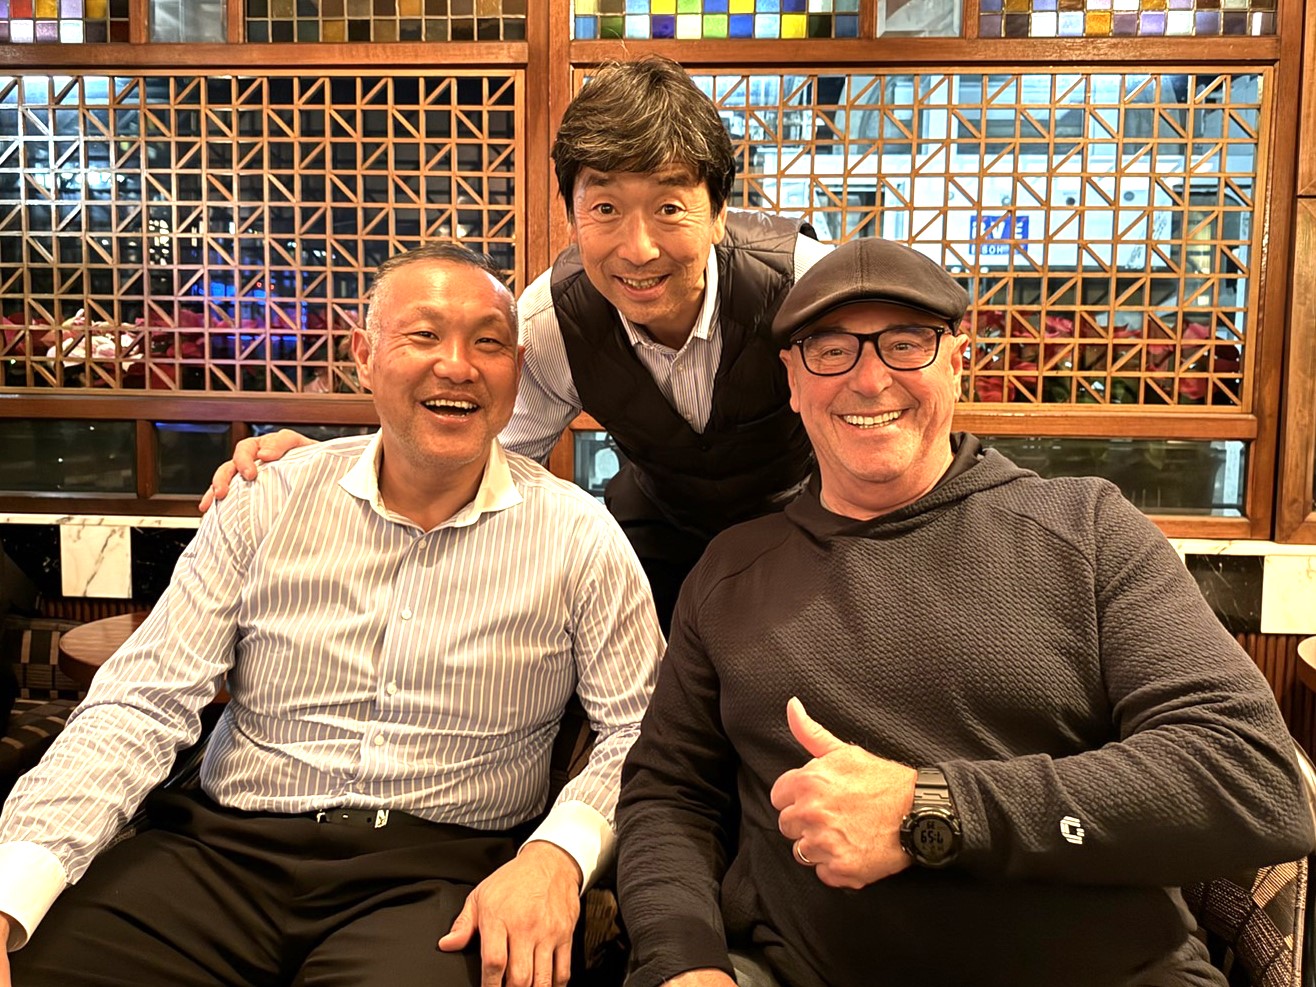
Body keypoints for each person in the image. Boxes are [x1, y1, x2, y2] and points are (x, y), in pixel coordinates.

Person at [613, 237, 1315, 987]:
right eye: (831, 350)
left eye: (906, 343)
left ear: (958, 360)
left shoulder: (1088, 529)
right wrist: (683, 961)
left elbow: (1251, 779)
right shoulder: (729, 571)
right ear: (793, 379)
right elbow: (670, 795)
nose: (870, 379)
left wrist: (932, 812)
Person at [0, 242, 663, 987]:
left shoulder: (578, 535)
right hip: (216, 856)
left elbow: (640, 730)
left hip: (437, 876)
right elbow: (141, 703)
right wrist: (11, 889)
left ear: (517, 369)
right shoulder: (267, 500)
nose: (457, 365)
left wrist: (556, 855)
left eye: (488, 343)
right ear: (363, 355)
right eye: (424, 334)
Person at [201, 55, 833, 631]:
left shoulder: (806, 284)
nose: (638, 249)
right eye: (605, 209)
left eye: (669, 208)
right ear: (572, 216)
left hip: (802, 519)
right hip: (656, 527)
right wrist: (323, 466)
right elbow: (473, 453)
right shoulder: (550, 320)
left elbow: (883, 412)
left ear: (718, 211)